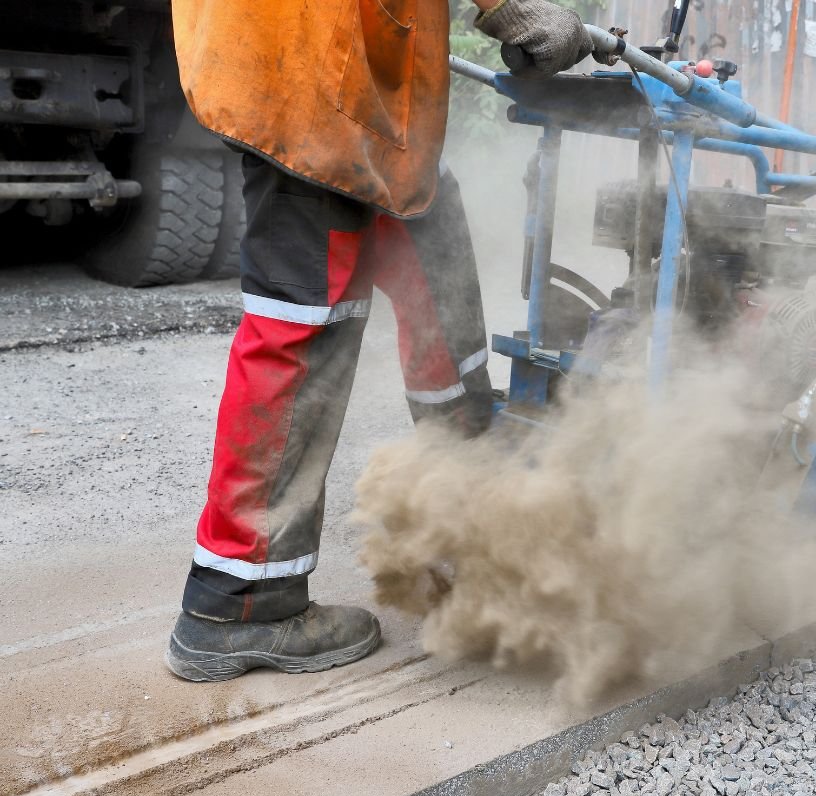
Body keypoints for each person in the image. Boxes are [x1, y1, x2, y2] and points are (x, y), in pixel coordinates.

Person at [164, 0, 593, 681]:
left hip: (337, 73)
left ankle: (468, 500)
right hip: (306, 71)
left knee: (430, 240)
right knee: (304, 331)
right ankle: (240, 603)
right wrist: (512, 7)